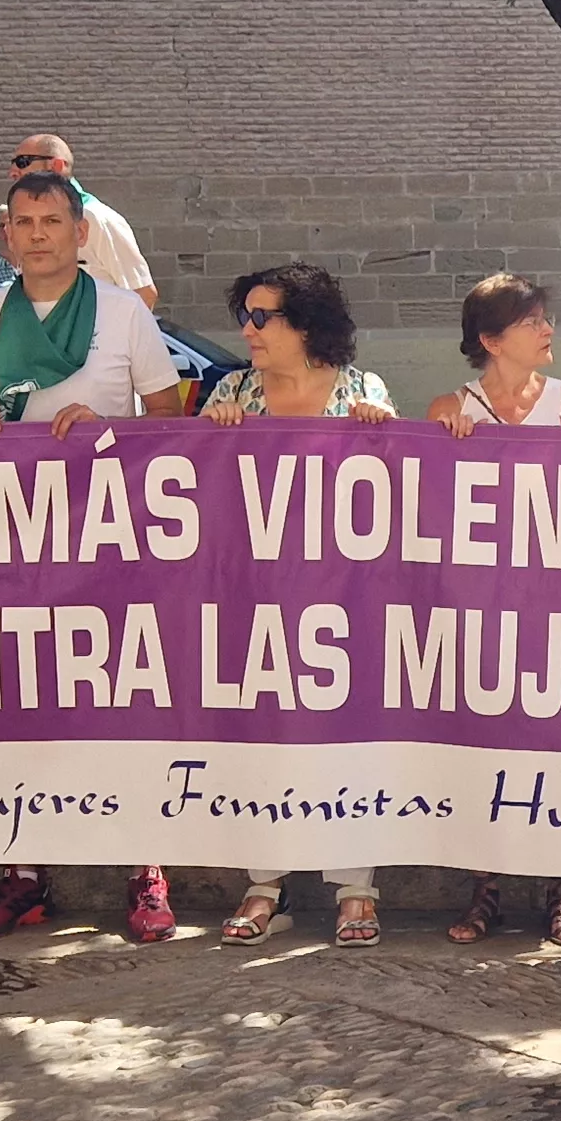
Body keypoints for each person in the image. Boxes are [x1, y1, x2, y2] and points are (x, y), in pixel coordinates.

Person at [0, 171, 197, 943]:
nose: (38, 235)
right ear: (8, 234)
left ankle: (145, 869)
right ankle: (24, 875)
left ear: (80, 232)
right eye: (24, 222)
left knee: (124, 706)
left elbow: (167, 419)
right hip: (11, 543)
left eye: (52, 220)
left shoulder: (123, 313)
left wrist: (106, 429)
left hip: (108, 543)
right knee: (18, 708)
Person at [195, 262, 402, 943]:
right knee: (259, 737)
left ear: (306, 324)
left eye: (263, 317)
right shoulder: (232, 390)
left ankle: (355, 890)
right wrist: (212, 434)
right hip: (252, 600)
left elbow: (399, 489)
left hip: (344, 602)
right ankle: (265, 885)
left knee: (348, 736)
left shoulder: (362, 390)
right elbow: (195, 486)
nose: (248, 330)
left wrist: (383, 433)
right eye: (245, 316)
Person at [430, 272, 561, 947]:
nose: (547, 330)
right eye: (532, 321)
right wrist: (442, 444)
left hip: (556, 606)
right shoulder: (451, 406)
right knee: (481, 748)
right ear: (492, 339)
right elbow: (422, 506)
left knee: (560, 745)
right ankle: (488, 889)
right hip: (478, 609)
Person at [0, 133, 157, 310]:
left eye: (23, 162)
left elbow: (143, 293)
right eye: (25, 222)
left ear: (57, 165)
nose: (13, 172)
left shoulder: (97, 218)